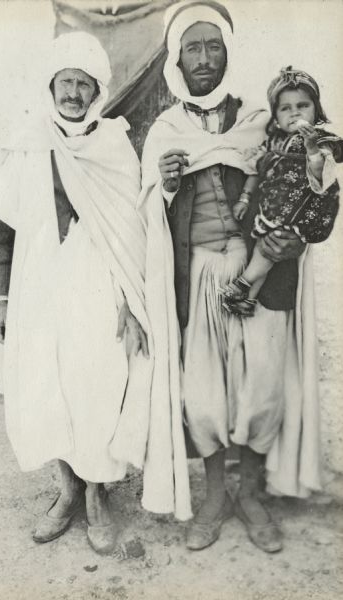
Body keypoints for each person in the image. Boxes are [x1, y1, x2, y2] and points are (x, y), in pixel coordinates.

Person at [0, 31, 191, 554]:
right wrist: (2, 299)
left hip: (99, 285)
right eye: (67, 82)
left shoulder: (113, 143)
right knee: (45, 387)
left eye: (84, 84)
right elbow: (3, 228)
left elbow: (131, 228)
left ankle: (99, 492)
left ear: (97, 90)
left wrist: (130, 301)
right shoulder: (28, 139)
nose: (74, 93)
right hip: (38, 285)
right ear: (51, 85)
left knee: (98, 382)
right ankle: (67, 489)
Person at [140, 0, 323, 554]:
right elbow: (146, 208)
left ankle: (251, 494)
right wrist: (166, 184)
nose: (204, 57)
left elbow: (304, 173)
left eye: (213, 46)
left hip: (257, 263)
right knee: (203, 395)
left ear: (226, 53)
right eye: (193, 47)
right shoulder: (165, 128)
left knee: (263, 385)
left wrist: (288, 241)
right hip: (196, 270)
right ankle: (216, 494)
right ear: (178, 58)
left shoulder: (259, 120)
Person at [222, 66, 341, 316]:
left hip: (300, 207)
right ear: (275, 115)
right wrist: (245, 197)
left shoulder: (319, 141)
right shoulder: (273, 141)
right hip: (274, 205)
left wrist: (311, 148)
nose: (295, 113)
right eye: (285, 108)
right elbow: (256, 170)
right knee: (262, 246)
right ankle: (248, 301)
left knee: (268, 247)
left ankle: (243, 284)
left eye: (303, 106)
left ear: (315, 110)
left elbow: (320, 173)